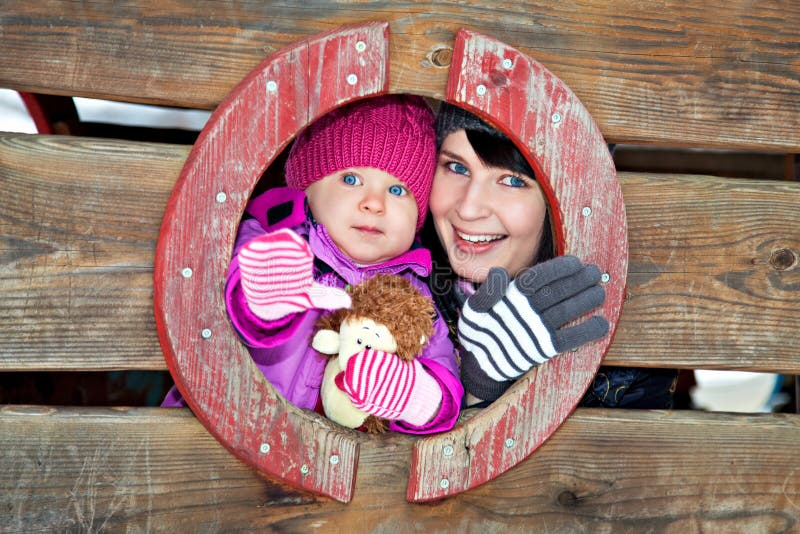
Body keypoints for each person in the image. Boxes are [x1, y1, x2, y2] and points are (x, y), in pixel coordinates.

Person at [163, 95, 463, 434]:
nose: (374, 203)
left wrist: (416, 397)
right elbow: (233, 291)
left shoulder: (415, 294)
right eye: (351, 179)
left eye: (397, 190)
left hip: (330, 472)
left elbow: (443, 374)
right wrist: (265, 297)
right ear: (307, 188)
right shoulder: (275, 239)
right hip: (216, 434)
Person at [423, 103, 677, 408]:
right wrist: (478, 388)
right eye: (457, 167)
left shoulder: (627, 358)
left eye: (513, 180)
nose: (468, 208)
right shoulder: (391, 287)